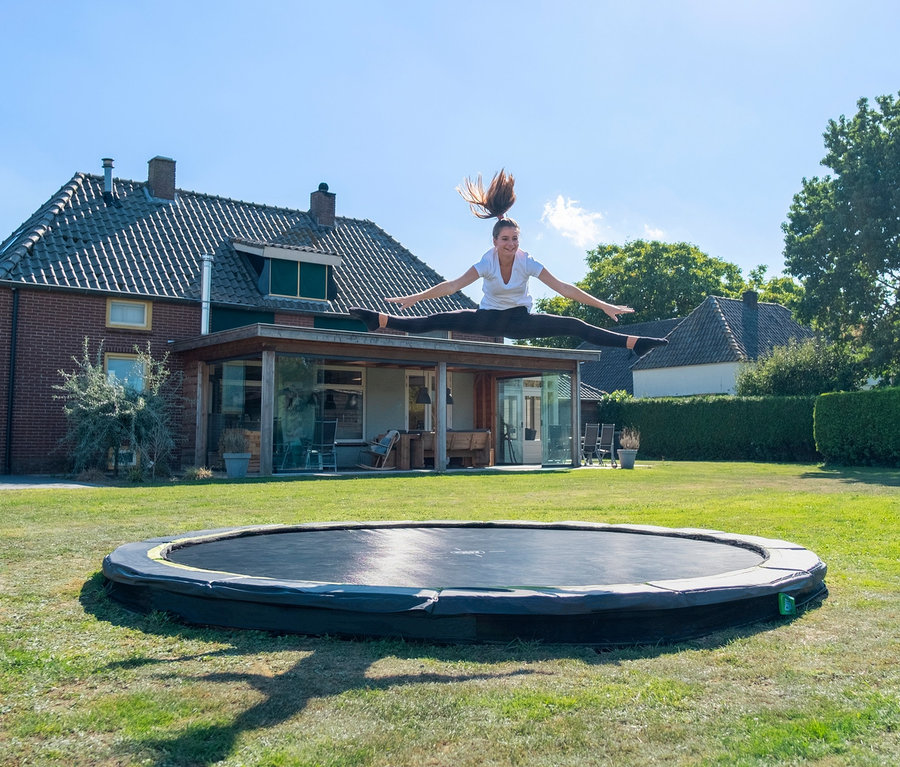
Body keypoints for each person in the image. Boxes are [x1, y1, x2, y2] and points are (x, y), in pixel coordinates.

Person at [349, 170, 668, 355]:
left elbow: (563, 289)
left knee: (573, 325)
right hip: (486, 318)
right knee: (439, 318)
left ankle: (634, 343)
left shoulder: (527, 261)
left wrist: (604, 305)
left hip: (520, 321)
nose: (511, 244)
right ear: (495, 242)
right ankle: (380, 320)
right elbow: (453, 286)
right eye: (506, 240)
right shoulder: (486, 261)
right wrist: (412, 298)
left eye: (515, 239)